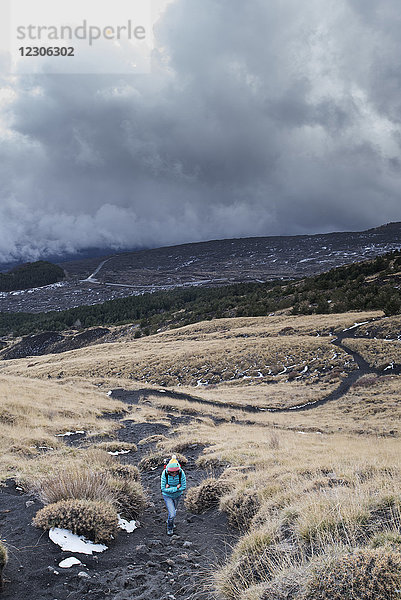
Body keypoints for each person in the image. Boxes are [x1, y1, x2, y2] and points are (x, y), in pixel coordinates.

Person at [161, 454, 187, 535]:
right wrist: (176, 488)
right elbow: (163, 489)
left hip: (177, 496)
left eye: (175, 472)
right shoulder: (164, 473)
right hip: (167, 496)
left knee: (173, 511)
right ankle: (170, 528)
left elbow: (184, 487)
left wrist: (170, 488)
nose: (174, 474)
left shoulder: (181, 473)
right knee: (172, 514)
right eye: (172, 472)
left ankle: (170, 520)